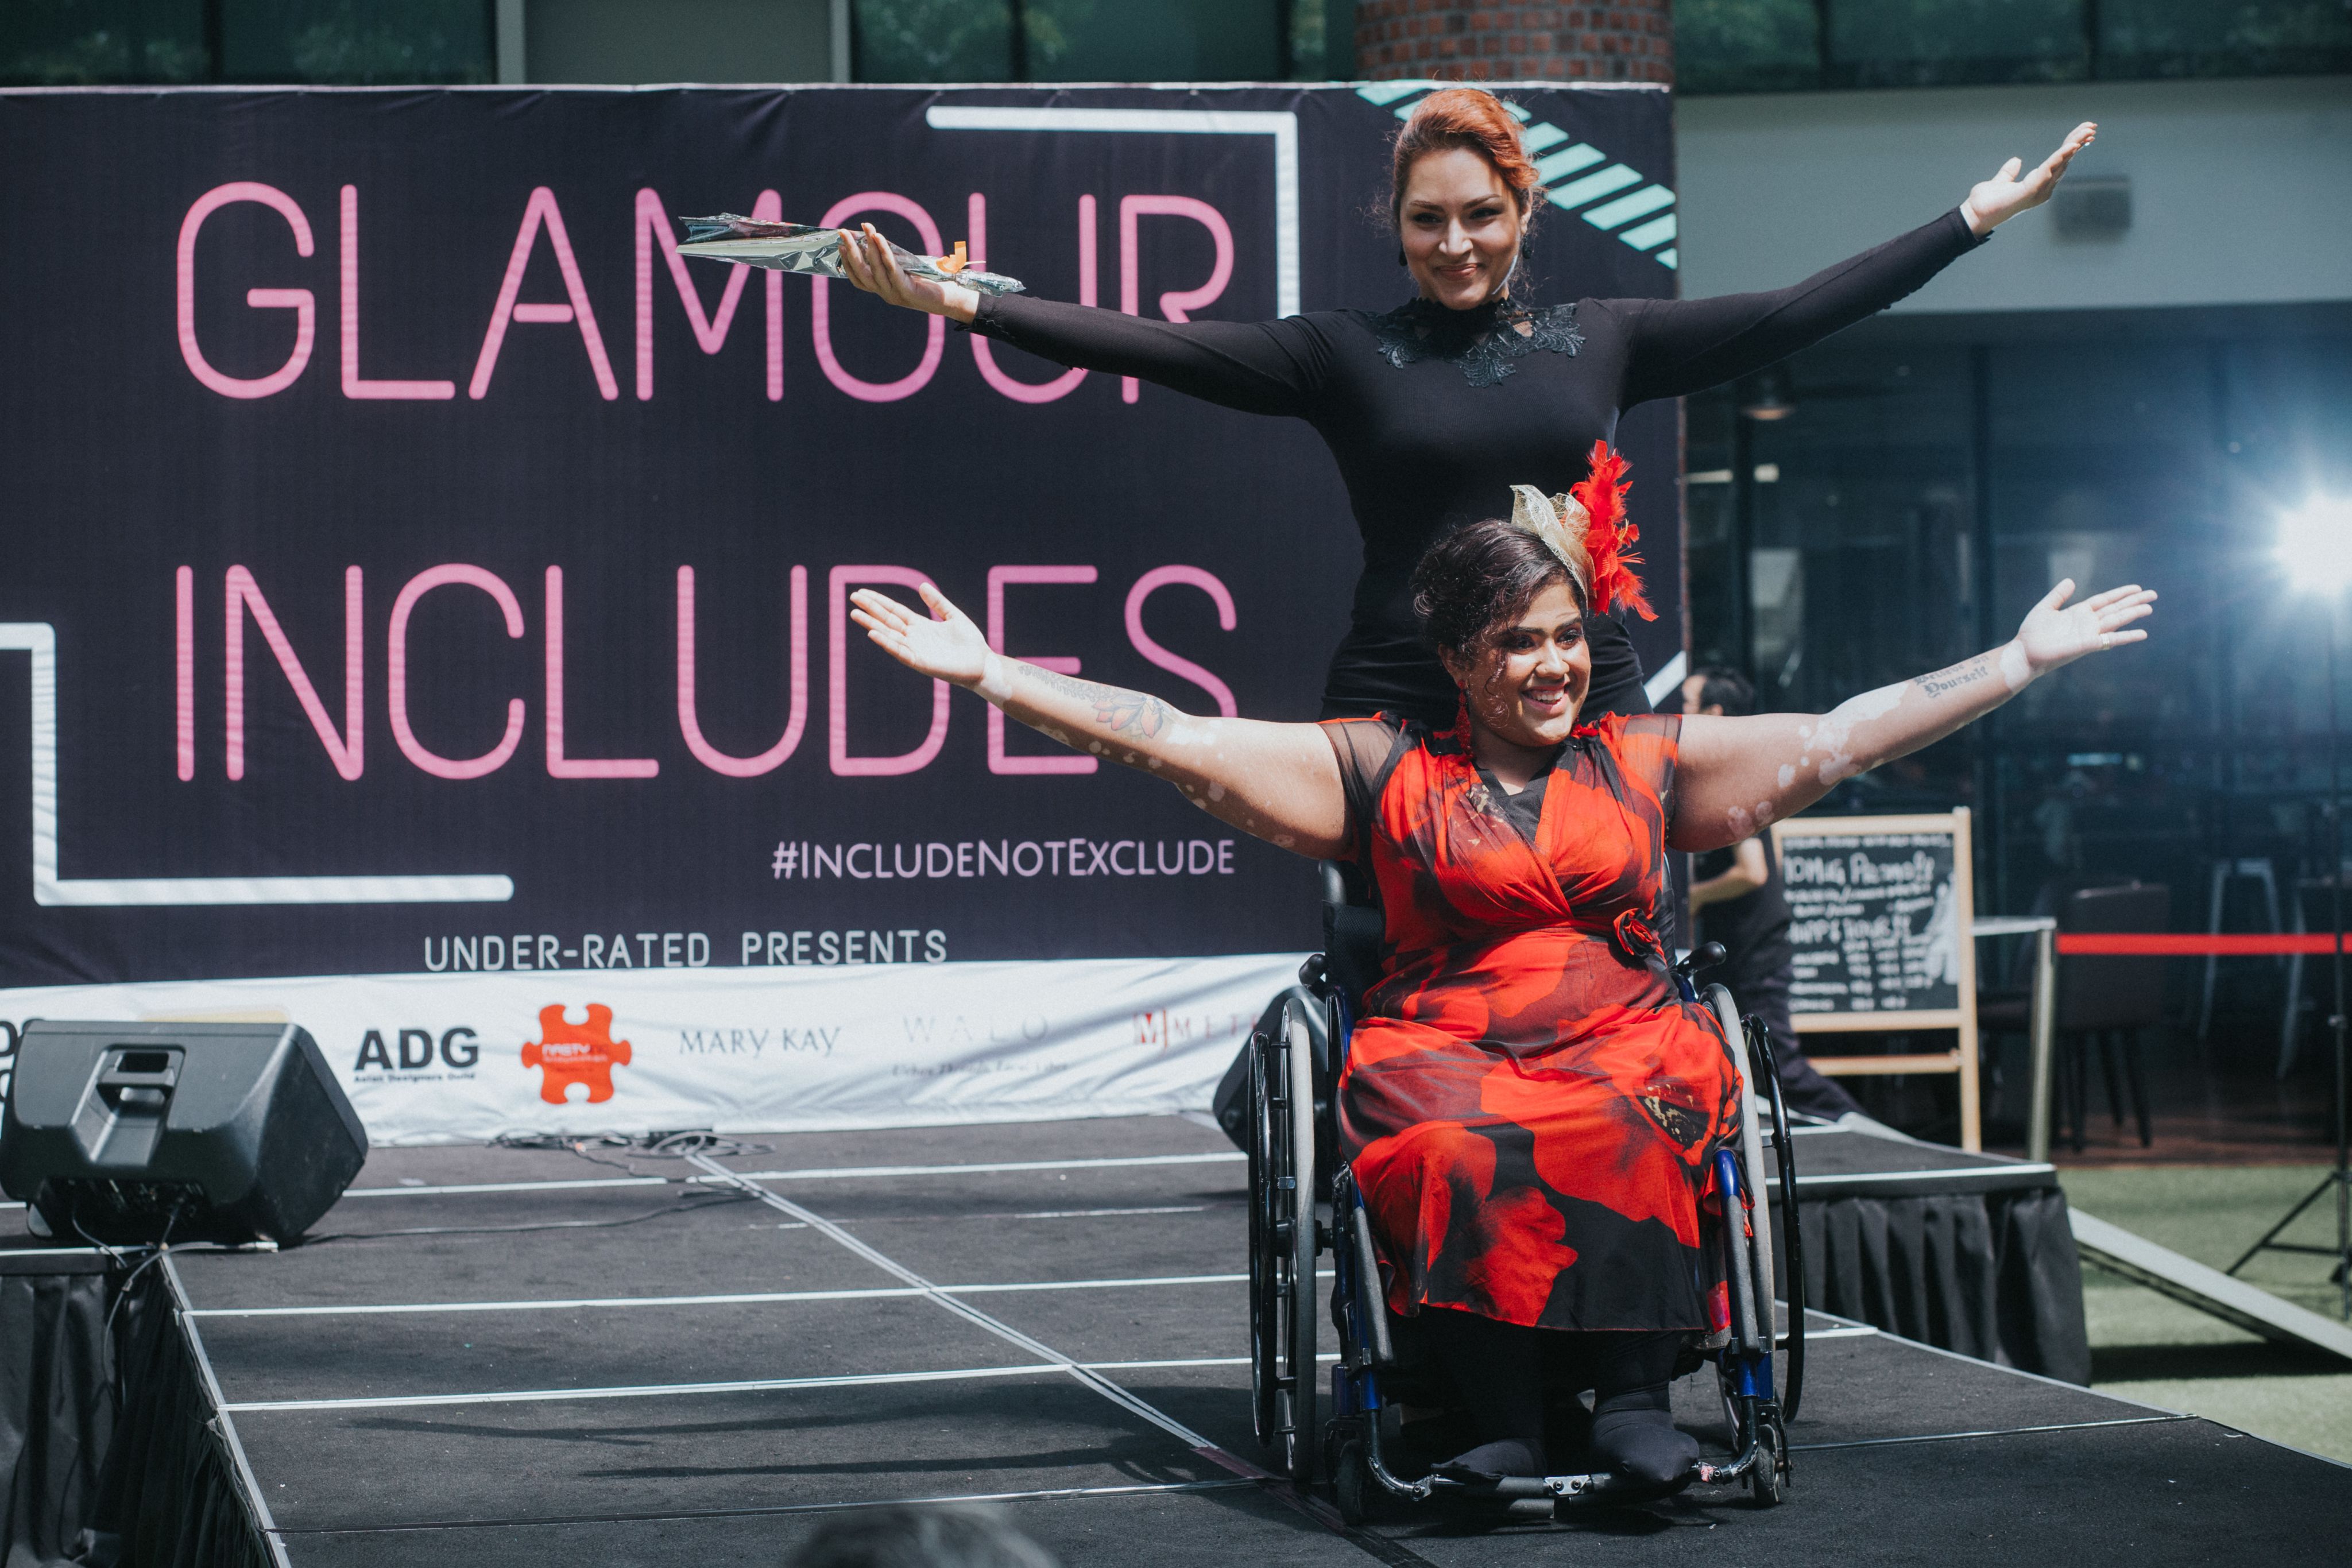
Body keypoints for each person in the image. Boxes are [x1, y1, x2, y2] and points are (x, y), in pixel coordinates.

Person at [848, 478, 2153, 1495]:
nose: (1551, 665)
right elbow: (1180, 743)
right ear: (1463, 662)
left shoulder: (1642, 759)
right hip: (1442, 1036)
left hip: (1624, 1028)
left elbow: (1837, 737)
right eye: (1518, 644)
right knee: (1442, 1133)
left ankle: (1637, 1405)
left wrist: (2017, 663)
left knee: (1654, 1092)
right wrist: (994, 678)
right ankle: (1503, 1424)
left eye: (1567, 639)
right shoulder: (1382, 769)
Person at [838, 88, 2096, 729]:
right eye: (1427, 219)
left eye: (1479, 214)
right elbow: (1157, 347)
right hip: (1399, 686)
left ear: (1522, 216)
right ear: (1392, 227)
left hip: (1579, 677)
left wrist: (1967, 225)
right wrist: (971, 304)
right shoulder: (1339, 354)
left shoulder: (1600, 339)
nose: (1455, 242)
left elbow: (1791, 313)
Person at [1680, 666, 1867, 1123]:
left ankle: (1860, 1131)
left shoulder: (1725, 774)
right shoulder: (1737, 767)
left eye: (1685, 703)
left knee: (1778, 1064)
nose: (1675, 712)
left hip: (1756, 947)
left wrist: (1695, 895)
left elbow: (1753, 871)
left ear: (1714, 712)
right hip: (1747, 946)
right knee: (1748, 1064)